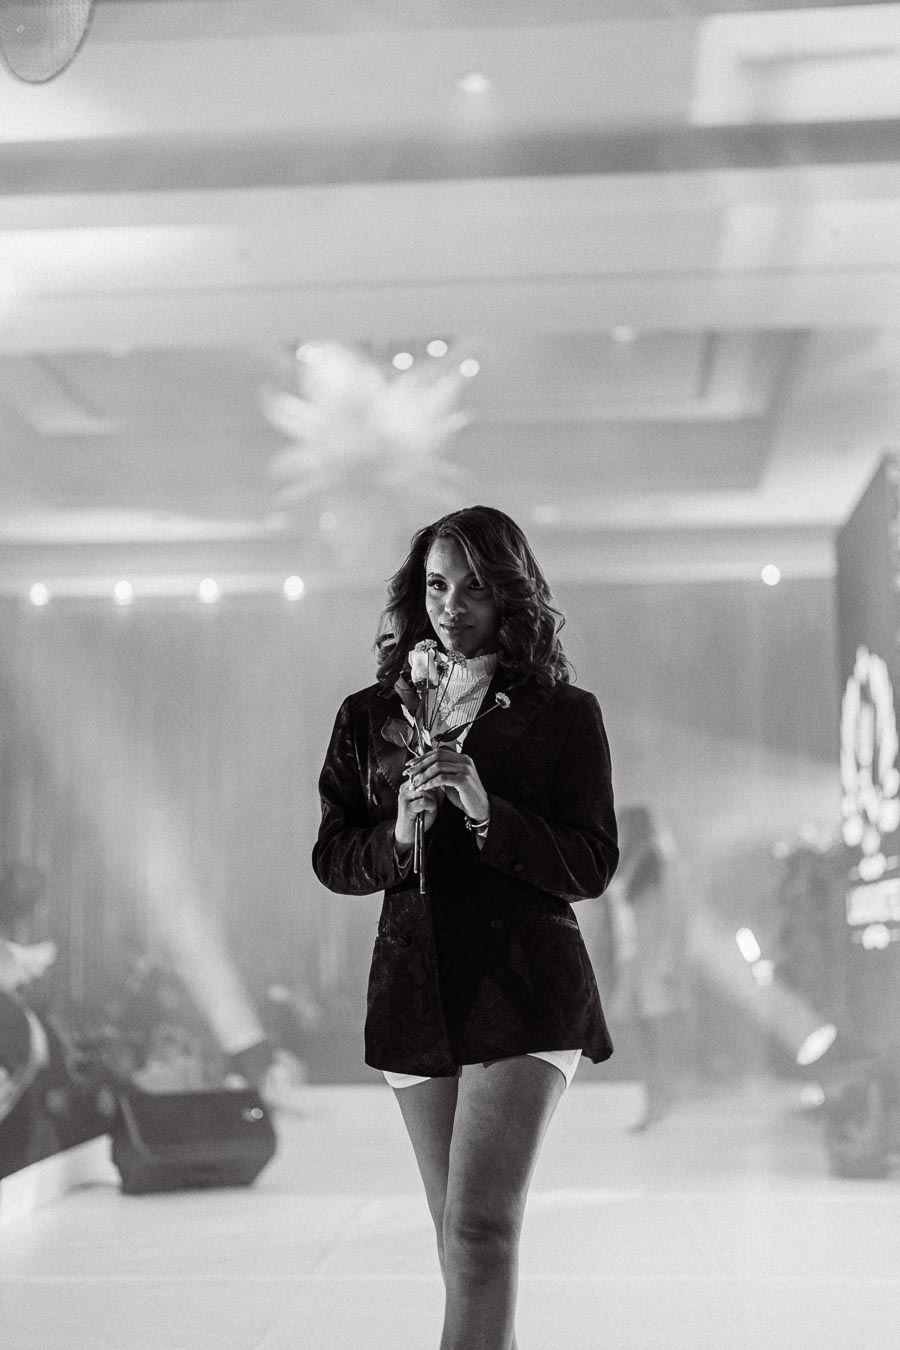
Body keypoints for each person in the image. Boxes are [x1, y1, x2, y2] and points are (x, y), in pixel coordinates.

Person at [312, 504, 618, 1350]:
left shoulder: (563, 712)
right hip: (415, 995)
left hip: (524, 988)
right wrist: (399, 833)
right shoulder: (369, 715)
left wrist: (488, 809)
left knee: (481, 1234)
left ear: (510, 594)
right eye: (437, 585)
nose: (451, 604)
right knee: (461, 1250)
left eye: (474, 587)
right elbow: (335, 856)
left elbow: (591, 865)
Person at [606, 804, 685, 1133]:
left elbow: (675, 914)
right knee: (633, 1028)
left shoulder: (661, 862)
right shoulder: (628, 863)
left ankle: (661, 1100)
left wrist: (669, 960)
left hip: (654, 959)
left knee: (657, 1033)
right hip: (631, 958)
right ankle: (654, 1098)